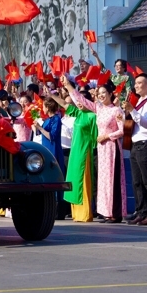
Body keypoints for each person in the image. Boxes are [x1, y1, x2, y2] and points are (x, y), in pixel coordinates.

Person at [68, 80, 127, 223]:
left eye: (104, 93)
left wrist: (107, 136)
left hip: (112, 148)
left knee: (113, 180)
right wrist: (68, 86)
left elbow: (121, 131)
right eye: (99, 93)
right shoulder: (99, 109)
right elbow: (81, 100)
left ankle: (116, 213)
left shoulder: (116, 110)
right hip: (102, 149)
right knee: (104, 181)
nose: (101, 96)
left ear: (110, 94)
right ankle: (107, 212)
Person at [123, 73, 147, 226]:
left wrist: (132, 110)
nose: (136, 85)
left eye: (140, 83)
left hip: (146, 144)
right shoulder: (139, 101)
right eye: (136, 83)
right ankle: (141, 211)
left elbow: (146, 123)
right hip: (135, 144)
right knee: (137, 182)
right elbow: (133, 122)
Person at [60, 74, 98, 222]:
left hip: (85, 151)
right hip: (75, 152)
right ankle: (76, 213)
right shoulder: (78, 113)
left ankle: (86, 212)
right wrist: (51, 94)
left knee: (84, 182)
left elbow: (95, 136)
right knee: (74, 181)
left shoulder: (92, 117)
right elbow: (64, 105)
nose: (79, 103)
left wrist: (69, 86)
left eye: (82, 101)